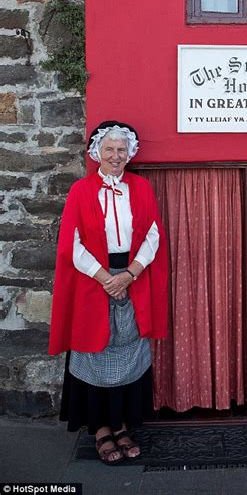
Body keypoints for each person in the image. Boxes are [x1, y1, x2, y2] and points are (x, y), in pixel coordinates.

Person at [49, 120, 168, 465]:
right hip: (94, 280)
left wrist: (129, 275)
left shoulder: (142, 188)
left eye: (121, 150)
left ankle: (121, 425)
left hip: (132, 276)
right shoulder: (80, 191)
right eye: (109, 149)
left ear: (129, 153)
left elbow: (153, 236)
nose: (116, 156)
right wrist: (106, 279)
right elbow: (71, 245)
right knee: (95, 351)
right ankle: (101, 429)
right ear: (96, 152)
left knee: (128, 349)